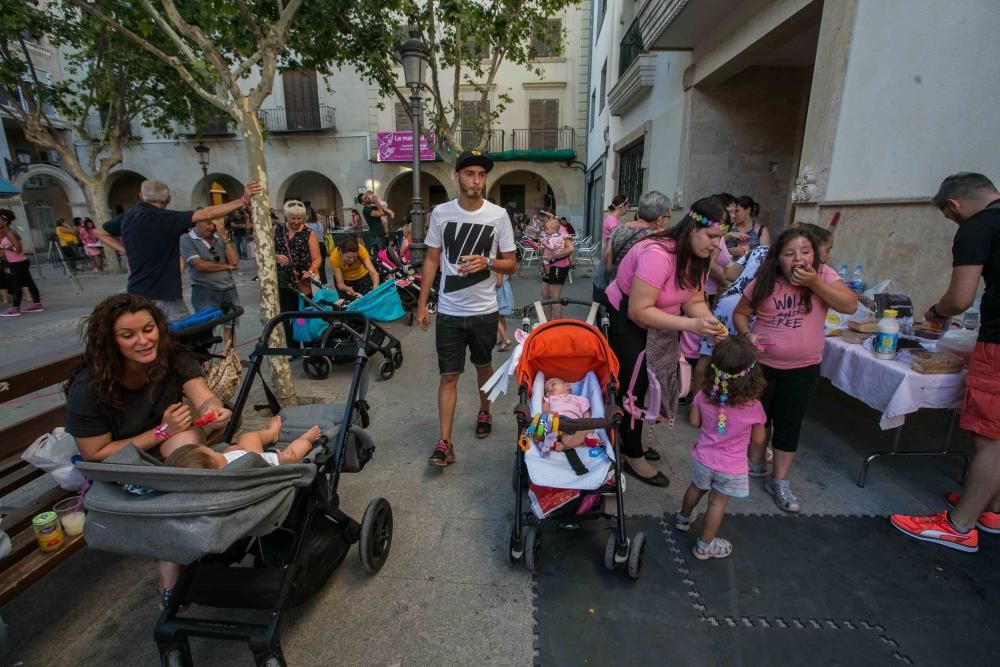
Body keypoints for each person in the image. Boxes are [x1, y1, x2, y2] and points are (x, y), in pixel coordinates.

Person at [891, 172, 1000, 553]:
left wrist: (936, 312)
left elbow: (960, 298)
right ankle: (992, 509)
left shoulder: (980, 226)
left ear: (953, 206)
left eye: (950, 218)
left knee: (991, 437)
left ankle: (959, 525)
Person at [604, 194, 729, 486]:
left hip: (659, 319)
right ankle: (632, 454)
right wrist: (691, 324)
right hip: (627, 318)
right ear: (691, 229)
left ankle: (626, 438)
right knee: (633, 385)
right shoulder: (657, 254)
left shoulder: (699, 257)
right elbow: (639, 310)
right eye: (711, 236)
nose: (716, 244)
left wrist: (707, 321)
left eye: (719, 238)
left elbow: (694, 298)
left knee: (650, 381)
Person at [732, 227, 857, 513]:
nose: (798, 259)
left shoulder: (824, 276)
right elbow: (741, 313)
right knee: (757, 420)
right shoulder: (764, 280)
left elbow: (849, 305)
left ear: (814, 255)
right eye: (789, 254)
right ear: (778, 259)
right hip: (762, 366)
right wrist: (747, 335)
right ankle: (755, 467)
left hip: (803, 368)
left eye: (805, 252)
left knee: (789, 423)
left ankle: (780, 481)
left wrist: (815, 283)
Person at [416, 149, 517, 467]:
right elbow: (432, 259)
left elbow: (512, 263)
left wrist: (487, 261)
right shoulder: (441, 214)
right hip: (448, 311)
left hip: (485, 311)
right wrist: (422, 303)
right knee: (448, 376)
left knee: (483, 367)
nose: (476, 180)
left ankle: (484, 410)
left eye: (482, 174)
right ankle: (444, 442)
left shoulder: (498, 215)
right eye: (470, 173)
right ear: (457, 177)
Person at [155, 416, 321, 603]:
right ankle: (304, 439)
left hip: (231, 471)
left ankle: (271, 433)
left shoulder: (191, 496)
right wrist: (285, 462)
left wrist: (226, 453)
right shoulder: (248, 467)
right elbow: (276, 463)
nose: (214, 451)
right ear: (218, 467)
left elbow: (218, 460)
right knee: (291, 452)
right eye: (211, 452)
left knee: (248, 438)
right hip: (256, 469)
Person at [96, 179, 263, 322]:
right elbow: (205, 213)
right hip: (165, 295)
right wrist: (243, 200)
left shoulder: (129, 215)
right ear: (168, 199)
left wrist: (125, 250)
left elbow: (100, 232)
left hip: (136, 292)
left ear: (141, 197)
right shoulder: (165, 218)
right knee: (185, 340)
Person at [675, 337, 767, 560]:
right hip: (731, 467)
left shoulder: (703, 396)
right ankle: (704, 547)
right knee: (716, 503)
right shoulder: (754, 407)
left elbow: (695, 423)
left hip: (703, 459)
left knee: (696, 487)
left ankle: (683, 519)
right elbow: (758, 440)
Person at [593, 197, 668, 303]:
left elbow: (609, 256)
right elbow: (608, 256)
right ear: (660, 219)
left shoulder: (616, 224)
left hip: (607, 283)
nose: (628, 209)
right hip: (616, 286)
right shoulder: (617, 225)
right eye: (628, 206)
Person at [275, 200, 322, 347]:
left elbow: (317, 258)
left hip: (302, 282)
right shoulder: (276, 230)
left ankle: (309, 347)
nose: (296, 222)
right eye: (293, 218)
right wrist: (276, 257)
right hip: (283, 281)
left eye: (299, 218)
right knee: (288, 316)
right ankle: (293, 347)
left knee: (305, 315)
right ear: (286, 217)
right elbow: (265, 252)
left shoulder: (309, 233)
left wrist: (311, 271)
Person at [179, 217, 240, 326]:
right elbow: (200, 265)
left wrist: (225, 238)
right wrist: (228, 266)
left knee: (230, 327)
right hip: (205, 290)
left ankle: (230, 344)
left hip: (229, 288)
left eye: (215, 225)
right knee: (206, 328)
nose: (212, 227)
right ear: (197, 223)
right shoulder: (186, 239)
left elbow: (234, 261)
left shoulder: (219, 237)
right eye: (208, 224)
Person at [0, 210, 43, 316]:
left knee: (16, 285)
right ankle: (37, 303)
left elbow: (17, 249)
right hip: (20, 261)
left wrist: (3, 246)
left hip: (17, 263)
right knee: (29, 282)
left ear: (5, 221)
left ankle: (15, 308)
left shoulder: (10, 233)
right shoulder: (9, 232)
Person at [542, 377, 594, 450]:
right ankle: (556, 439)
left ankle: (566, 445)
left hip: (575, 423)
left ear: (567, 386)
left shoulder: (580, 399)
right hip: (557, 420)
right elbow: (545, 409)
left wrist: (586, 422)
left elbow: (586, 413)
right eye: (546, 390)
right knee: (549, 425)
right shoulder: (550, 399)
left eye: (553, 384)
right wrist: (548, 413)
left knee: (588, 429)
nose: (549, 389)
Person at [539, 209, 574, 320]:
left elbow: (570, 248)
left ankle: (556, 326)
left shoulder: (560, 229)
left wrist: (552, 256)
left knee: (554, 296)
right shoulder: (549, 230)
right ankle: (548, 323)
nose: (541, 224)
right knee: (545, 293)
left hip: (559, 265)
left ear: (548, 217)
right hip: (549, 265)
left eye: (542, 220)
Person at [305, 210, 329, 284]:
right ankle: (324, 282)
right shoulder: (320, 224)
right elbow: (324, 235)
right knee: (322, 265)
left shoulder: (307, 225)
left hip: (314, 245)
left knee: (315, 264)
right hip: (322, 244)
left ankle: (316, 281)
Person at [496, 271, 514, 351]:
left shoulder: (497, 266)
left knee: (494, 315)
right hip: (504, 288)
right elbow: (509, 277)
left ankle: (505, 339)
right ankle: (502, 339)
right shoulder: (505, 264)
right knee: (501, 316)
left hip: (499, 291)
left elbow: (498, 283)